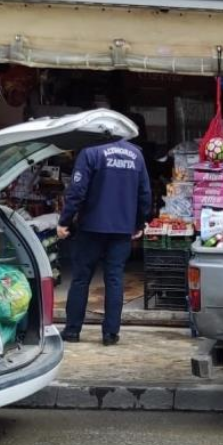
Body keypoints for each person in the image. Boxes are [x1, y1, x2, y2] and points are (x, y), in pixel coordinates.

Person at [57, 129, 151, 346]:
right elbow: (144, 194)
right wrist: (139, 223)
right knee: (114, 279)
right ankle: (110, 334)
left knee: (81, 279)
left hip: (91, 227)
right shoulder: (136, 155)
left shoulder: (90, 152)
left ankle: (72, 331)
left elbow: (77, 191)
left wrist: (65, 221)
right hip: (122, 229)